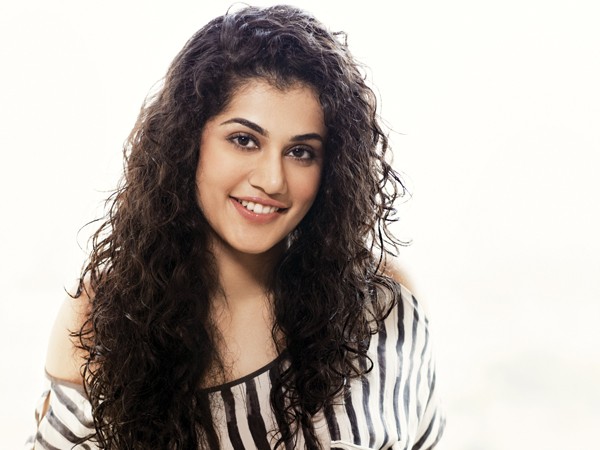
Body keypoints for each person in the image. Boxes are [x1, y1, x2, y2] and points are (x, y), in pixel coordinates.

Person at [27, 5, 444, 450]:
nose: (272, 180)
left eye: (301, 152)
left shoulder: (384, 308)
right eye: (244, 140)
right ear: (188, 142)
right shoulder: (103, 316)